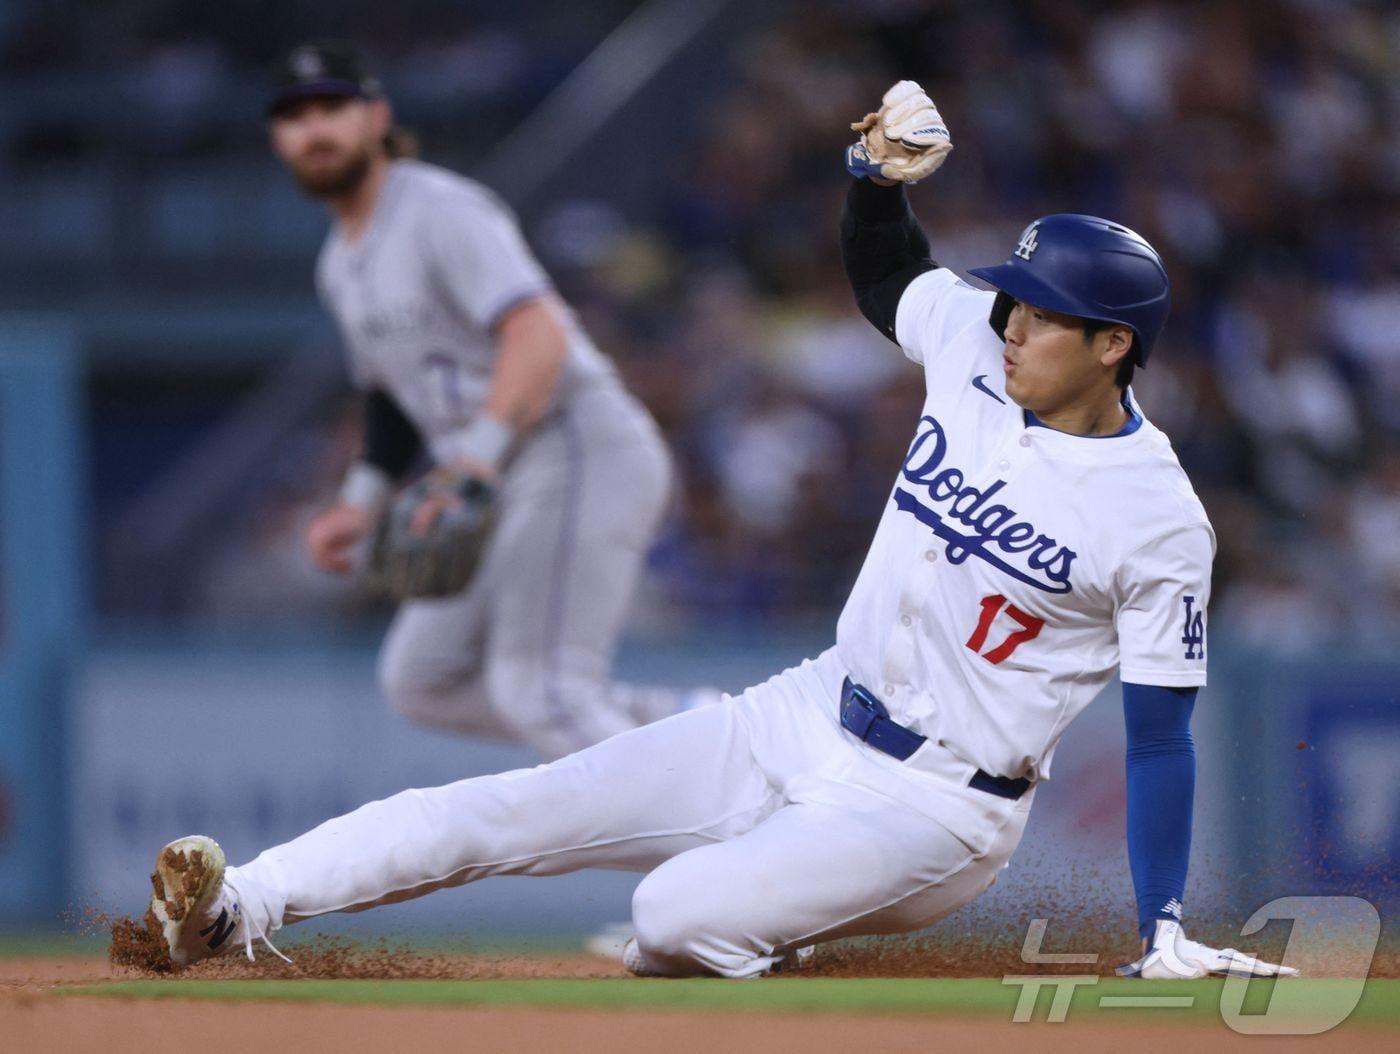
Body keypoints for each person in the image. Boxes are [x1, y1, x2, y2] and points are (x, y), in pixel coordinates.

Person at [146, 82, 1292, 981]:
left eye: (1047, 317)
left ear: (1111, 347)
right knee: (508, 806)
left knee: (667, 915)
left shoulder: (1157, 521)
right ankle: (236, 904)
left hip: (936, 808)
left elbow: (1156, 740)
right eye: (1014, 299)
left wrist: (1166, 924)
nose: (1012, 323)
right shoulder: (976, 347)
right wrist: (871, 179)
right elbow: (889, 274)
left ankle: (763, 928)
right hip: (800, 710)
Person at [268, 42, 707, 758]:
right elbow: (391, 398)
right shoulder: (339, 264)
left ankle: (726, 847)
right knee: (421, 681)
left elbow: (539, 334)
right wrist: (361, 499)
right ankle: (699, 730)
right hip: (491, 476)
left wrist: (476, 459)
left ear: (377, 117)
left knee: (540, 691)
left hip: (571, 442)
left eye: (333, 108)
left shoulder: (439, 209)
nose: (314, 130)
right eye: (294, 116)